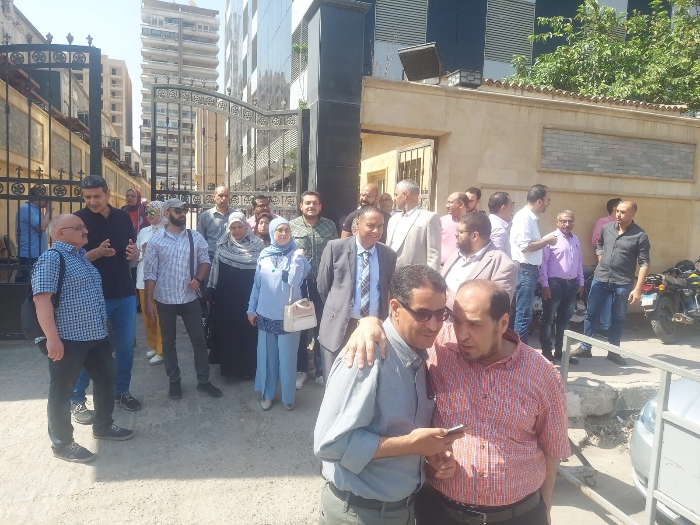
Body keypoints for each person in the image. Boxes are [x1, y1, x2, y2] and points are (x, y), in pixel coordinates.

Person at [341, 280, 571, 525]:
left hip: (519, 516)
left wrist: (545, 507)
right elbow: (402, 325)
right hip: (440, 512)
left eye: (475, 324)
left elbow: (552, 450)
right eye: (457, 320)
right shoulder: (439, 347)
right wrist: (369, 323)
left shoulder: (542, 375)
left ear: (503, 323)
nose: (462, 334)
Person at [314, 265, 461, 525]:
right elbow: (329, 444)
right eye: (423, 314)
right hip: (361, 513)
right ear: (395, 308)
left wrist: (431, 452)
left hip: (402, 509)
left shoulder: (417, 353)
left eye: (441, 314)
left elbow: (400, 428)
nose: (434, 325)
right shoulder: (366, 356)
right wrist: (411, 445)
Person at [34, 214, 134, 463]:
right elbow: (42, 300)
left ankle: (103, 426)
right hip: (68, 339)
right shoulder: (52, 258)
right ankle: (62, 444)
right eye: (79, 227)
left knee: (107, 378)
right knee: (62, 390)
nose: (86, 231)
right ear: (60, 233)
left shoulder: (79, 257)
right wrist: (51, 339)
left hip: (95, 335)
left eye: (84, 227)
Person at [70, 175, 141, 424]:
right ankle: (77, 399)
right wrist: (96, 253)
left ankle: (121, 391)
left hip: (124, 293)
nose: (92, 201)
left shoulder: (122, 217)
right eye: (87, 197)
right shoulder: (77, 221)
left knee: (125, 348)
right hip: (91, 296)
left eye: (97, 196)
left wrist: (135, 253)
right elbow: (71, 260)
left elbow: (133, 251)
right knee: (87, 349)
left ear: (108, 194)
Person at [143, 199, 223, 400]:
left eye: (184, 210)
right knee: (168, 343)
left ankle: (203, 381)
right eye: (178, 210)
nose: (182, 214)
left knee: (199, 340)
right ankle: (174, 381)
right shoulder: (156, 241)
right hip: (165, 298)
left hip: (189, 298)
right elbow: (150, 273)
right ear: (166, 213)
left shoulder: (195, 237)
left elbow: (205, 261)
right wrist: (148, 301)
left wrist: (198, 279)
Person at [317, 206, 397, 380]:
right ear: (357, 224)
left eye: (380, 226)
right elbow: (323, 286)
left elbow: (388, 289)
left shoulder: (388, 255)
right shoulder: (335, 248)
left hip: (373, 329)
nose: (376, 231)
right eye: (370, 225)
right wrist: (338, 309)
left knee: (366, 381)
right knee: (334, 382)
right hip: (339, 327)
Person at [571, 201, 650, 365]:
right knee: (591, 313)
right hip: (601, 278)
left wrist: (637, 289)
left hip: (622, 282)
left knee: (618, 317)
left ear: (633, 214)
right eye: (617, 211)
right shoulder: (606, 228)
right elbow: (599, 245)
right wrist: (602, 260)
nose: (618, 214)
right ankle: (585, 347)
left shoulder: (640, 235)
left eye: (623, 212)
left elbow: (644, 263)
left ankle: (614, 351)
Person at [247, 217, 311, 410]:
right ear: (272, 232)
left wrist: (297, 258)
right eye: (279, 230)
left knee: (287, 359)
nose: (283, 234)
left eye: (286, 230)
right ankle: (267, 395)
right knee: (267, 359)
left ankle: (288, 397)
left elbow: (294, 281)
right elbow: (257, 285)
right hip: (265, 314)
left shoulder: (296, 256)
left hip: (288, 317)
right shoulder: (264, 255)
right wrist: (251, 309)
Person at [207, 212, 265, 378]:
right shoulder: (223, 245)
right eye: (233, 227)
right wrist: (211, 292)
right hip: (226, 297)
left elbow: (264, 272)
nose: (237, 230)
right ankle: (230, 370)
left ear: (246, 227)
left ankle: (249, 370)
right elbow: (215, 270)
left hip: (249, 296)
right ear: (229, 229)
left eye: (240, 227)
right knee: (229, 331)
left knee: (248, 330)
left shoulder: (259, 246)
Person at [290, 191, 338, 387]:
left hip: (323, 284)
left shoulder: (329, 226)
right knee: (300, 328)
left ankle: (320, 370)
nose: (311, 206)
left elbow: (336, 253)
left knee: (322, 328)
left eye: (315, 203)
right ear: (301, 206)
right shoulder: (292, 226)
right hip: (301, 285)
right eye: (307, 203)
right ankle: (301, 370)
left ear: (320, 206)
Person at [509, 184, 557, 344]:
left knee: (521, 313)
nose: (548, 204)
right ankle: (520, 352)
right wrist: (546, 241)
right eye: (547, 200)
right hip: (525, 270)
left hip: (528, 270)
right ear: (539, 201)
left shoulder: (529, 218)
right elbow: (525, 247)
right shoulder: (524, 218)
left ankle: (514, 349)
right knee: (523, 314)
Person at [442, 212, 517, 308]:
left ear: (475, 236)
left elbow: (497, 307)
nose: (456, 234)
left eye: (460, 232)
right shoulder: (457, 254)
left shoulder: (502, 265)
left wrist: (449, 298)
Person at [538, 210, 584, 364]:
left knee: (565, 321)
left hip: (572, 285)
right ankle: (546, 352)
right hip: (554, 284)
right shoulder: (550, 239)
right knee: (548, 319)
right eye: (564, 221)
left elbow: (579, 262)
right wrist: (545, 284)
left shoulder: (575, 239)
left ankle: (561, 352)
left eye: (570, 221)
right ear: (557, 222)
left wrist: (581, 282)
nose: (567, 224)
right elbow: (543, 263)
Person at [135, 201, 167, 366]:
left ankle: (162, 350)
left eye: (153, 212)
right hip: (143, 279)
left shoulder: (167, 231)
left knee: (160, 315)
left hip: (161, 280)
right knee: (148, 315)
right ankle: (152, 345)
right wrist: (142, 252)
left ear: (161, 213)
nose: (149, 216)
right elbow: (135, 255)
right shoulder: (143, 232)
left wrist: (154, 252)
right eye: (147, 213)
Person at [387, 179, 441, 271]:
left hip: (415, 276)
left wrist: (430, 279)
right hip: (390, 275)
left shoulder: (429, 218)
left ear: (405, 195)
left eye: (396, 195)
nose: (394, 199)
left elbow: (433, 255)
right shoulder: (393, 219)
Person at [591, 198, 622, 334]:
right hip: (606, 266)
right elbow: (595, 241)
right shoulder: (603, 222)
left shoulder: (624, 225)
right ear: (615, 209)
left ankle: (610, 325)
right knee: (607, 296)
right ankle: (604, 326)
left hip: (620, 267)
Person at [15, 187, 52, 283]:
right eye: (45, 197)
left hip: (36, 253)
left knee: (36, 283)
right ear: (36, 198)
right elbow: (42, 227)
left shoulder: (35, 210)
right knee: (26, 283)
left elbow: (46, 224)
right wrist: (48, 211)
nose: (48, 200)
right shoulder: (26, 209)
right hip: (29, 254)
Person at [197, 185, 234, 260]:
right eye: (221, 195)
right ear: (214, 197)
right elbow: (200, 238)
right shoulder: (205, 216)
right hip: (211, 257)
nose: (224, 198)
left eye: (226, 196)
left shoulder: (235, 215)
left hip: (231, 258)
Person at [440, 192, 469, 265]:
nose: (447, 206)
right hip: (442, 267)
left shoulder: (471, 223)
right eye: (447, 202)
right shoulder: (442, 221)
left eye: (451, 202)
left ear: (461, 204)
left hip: (463, 266)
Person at [487, 191, 514, 259]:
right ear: (503, 208)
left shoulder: (488, 223)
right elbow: (495, 259)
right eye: (511, 206)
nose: (512, 210)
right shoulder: (499, 230)